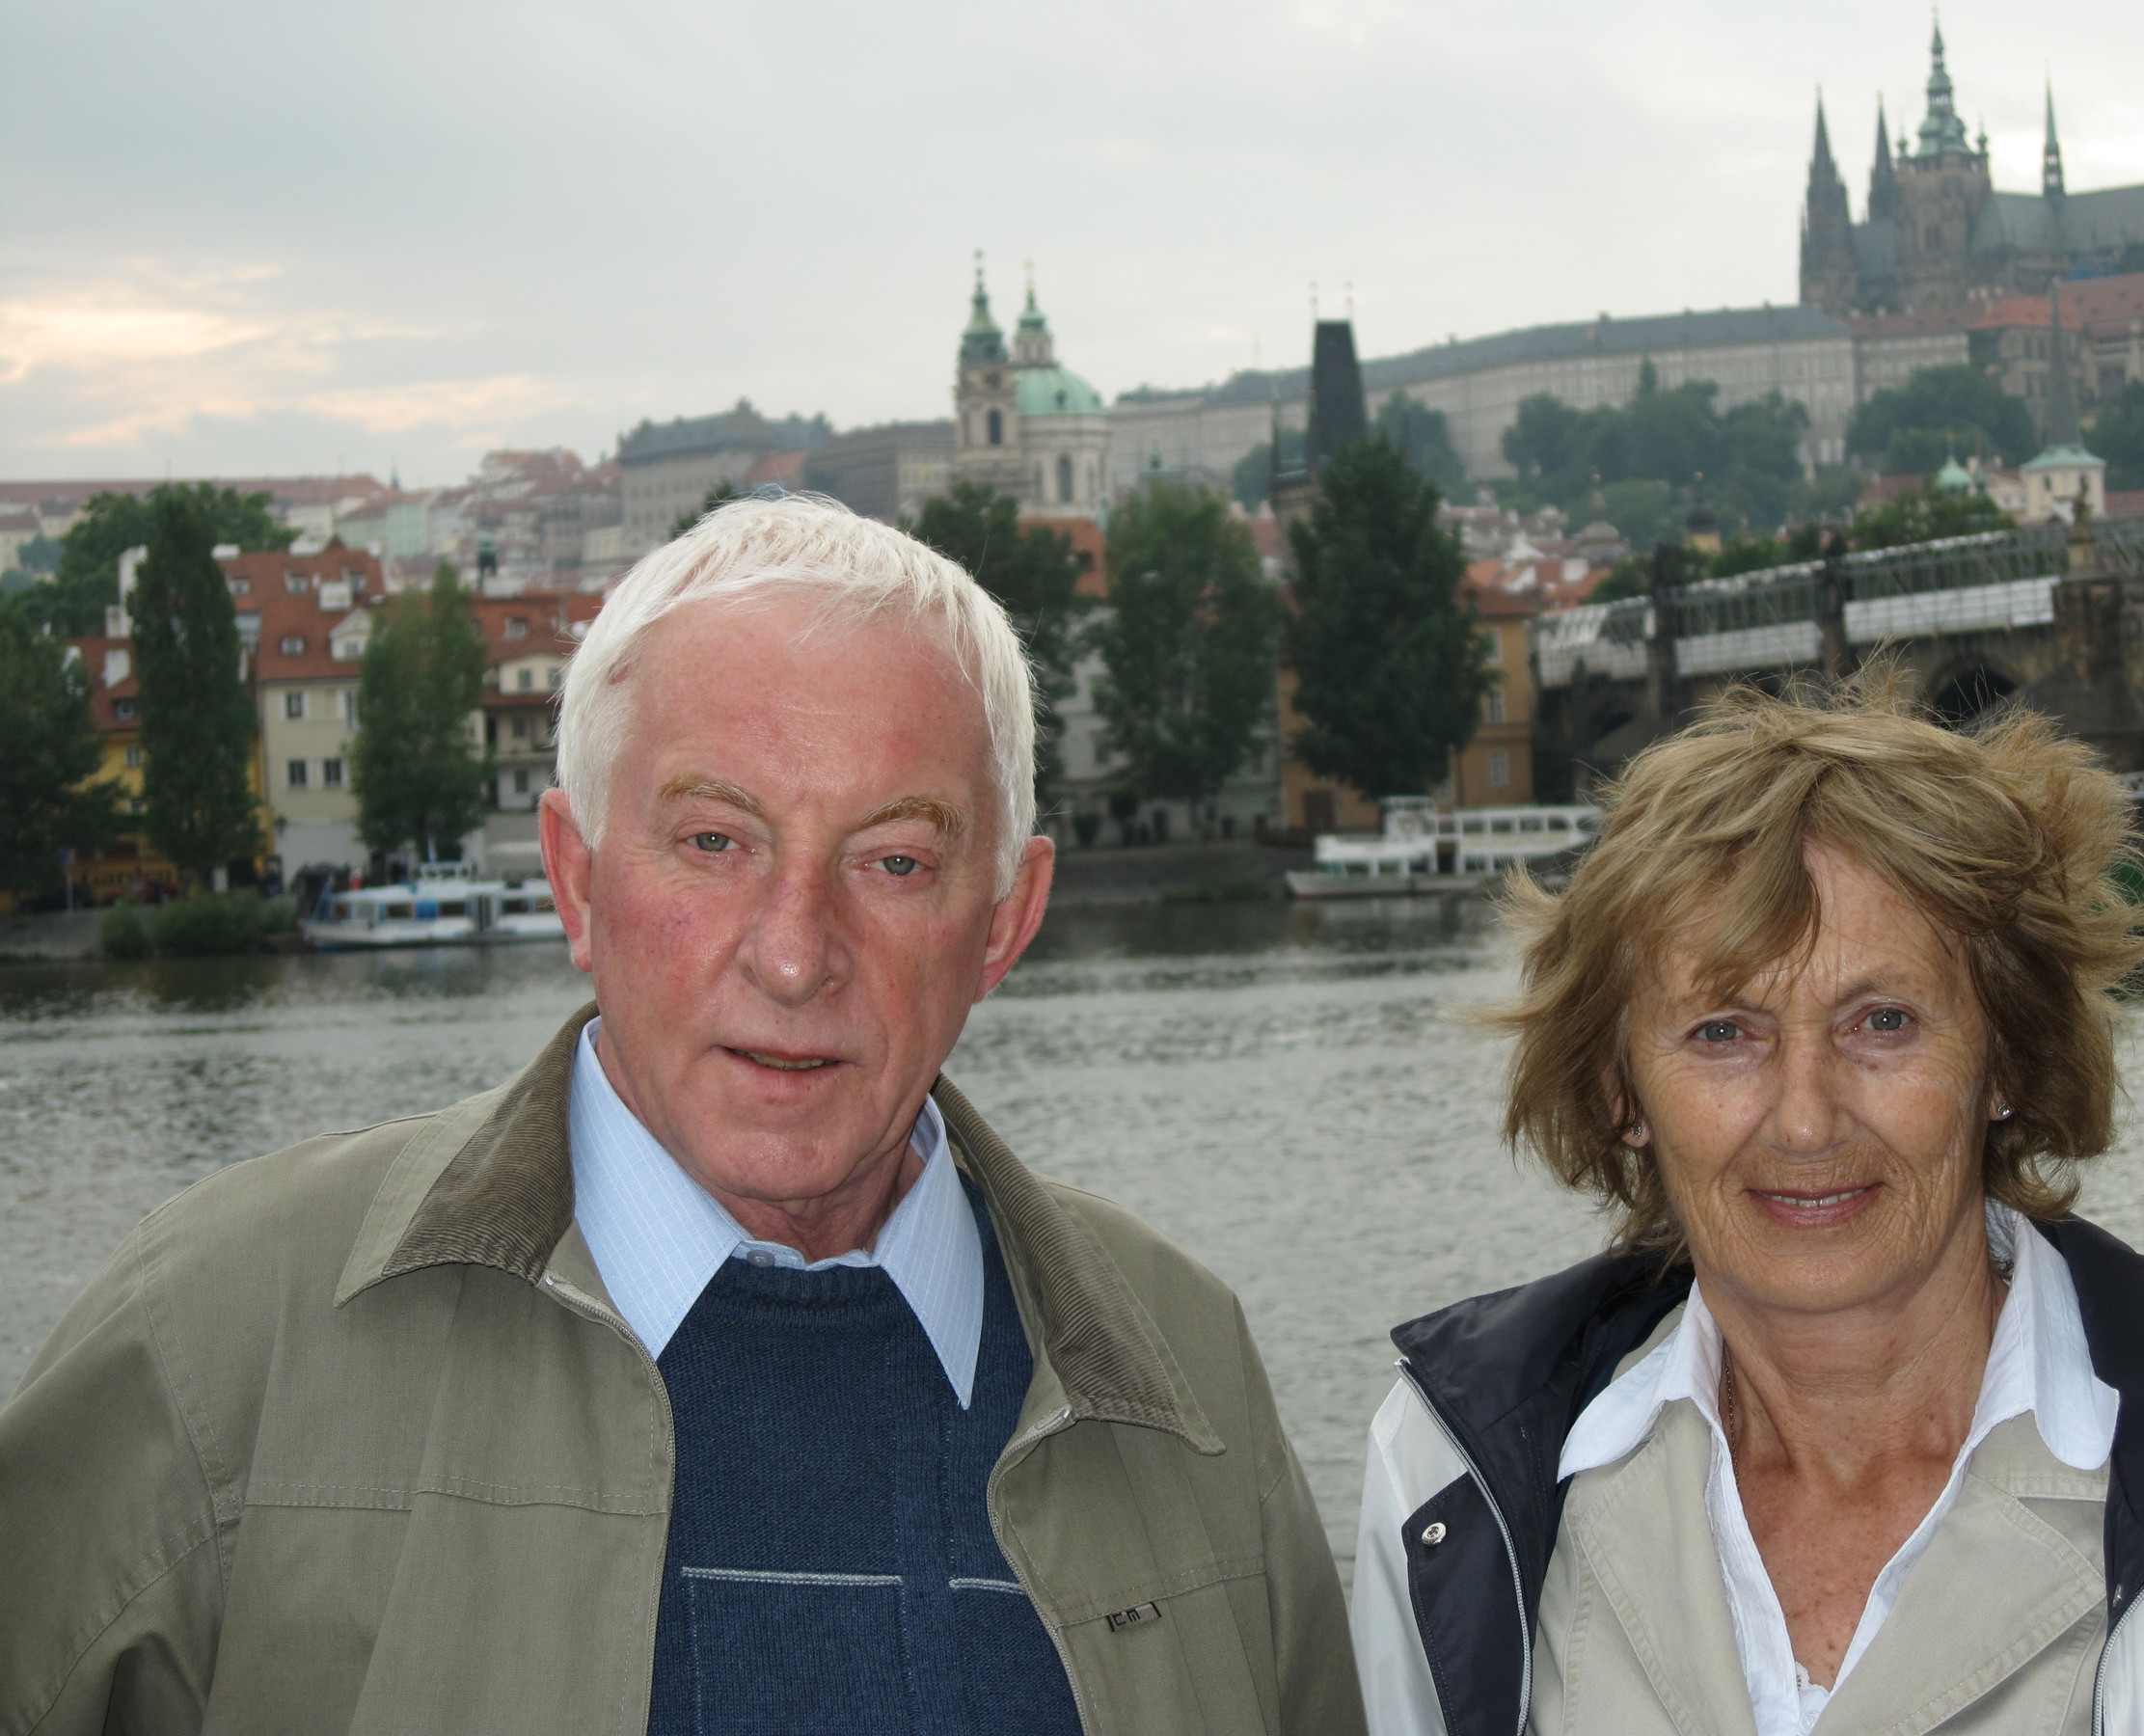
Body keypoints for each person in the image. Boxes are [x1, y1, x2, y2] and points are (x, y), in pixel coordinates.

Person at [2, 497, 1363, 1736]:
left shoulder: (1190, 1377)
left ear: (1004, 922)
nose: (795, 954)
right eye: (715, 842)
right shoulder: (215, 1349)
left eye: (895, 861)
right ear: (576, 881)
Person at [1352, 678, 2144, 1735]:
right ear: (1621, 1093)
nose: (1806, 1121)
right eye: (1725, 1032)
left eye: (1882, 1021)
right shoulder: (1452, 1480)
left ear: (2005, 1059)